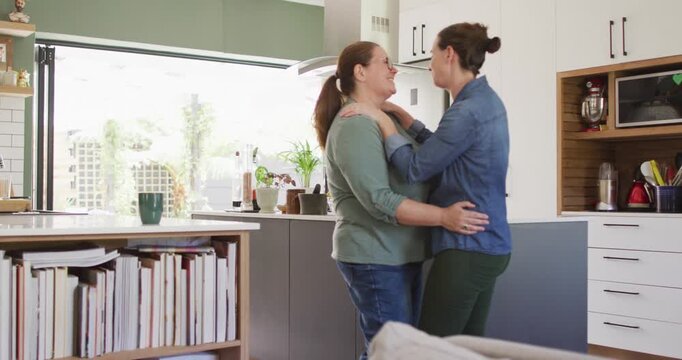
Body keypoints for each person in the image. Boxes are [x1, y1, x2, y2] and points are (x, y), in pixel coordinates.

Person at [313, 41, 489, 360]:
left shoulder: (385, 121)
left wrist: (400, 116)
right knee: (394, 352)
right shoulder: (354, 124)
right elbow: (379, 200)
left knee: (399, 350)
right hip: (374, 256)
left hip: (398, 254)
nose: (394, 68)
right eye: (385, 62)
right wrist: (443, 217)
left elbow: (434, 160)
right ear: (360, 72)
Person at [340, 23, 511, 337]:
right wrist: (408, 121)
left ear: (449, 54)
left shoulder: (466, 111)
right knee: (465, 347)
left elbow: (417, 168)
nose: (429, 62)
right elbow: (446, 150)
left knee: (429, 347)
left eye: (431, 54)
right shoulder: (484, 102)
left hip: (468, 244)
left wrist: (383, 121)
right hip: (489, 243)